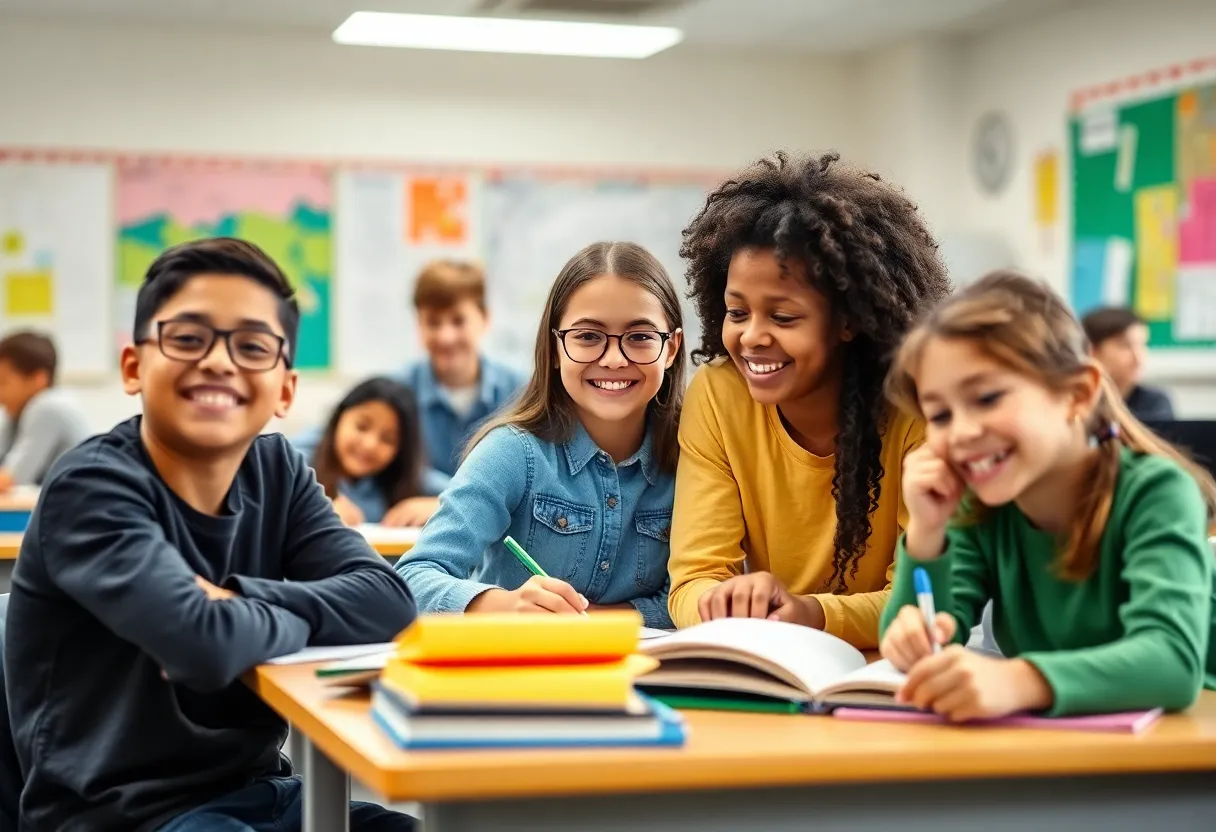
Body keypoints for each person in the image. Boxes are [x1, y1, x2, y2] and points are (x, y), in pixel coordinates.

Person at [4, 238, 418, 831]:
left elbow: (387, 600)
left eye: (252, 346)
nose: (220, 362)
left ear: (285, 390)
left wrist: (241, 599)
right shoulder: (91, 485)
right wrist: (252, 616)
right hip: (125, 815)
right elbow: (202, 644)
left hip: (262, 793)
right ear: (133, 366)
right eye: (188, 338)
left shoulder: (276, 470)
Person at [881, 270, 1215, 720]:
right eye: (939, 414)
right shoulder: (980, 504)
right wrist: (926, 531)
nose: (960, 432)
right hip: (1077, 736)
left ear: (1077, 394)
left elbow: (1172, 662)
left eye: (986, 398)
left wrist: (1020, 680)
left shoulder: (1157, 491)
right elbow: (932, 635)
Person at [667, 151, 950, 647]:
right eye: (737, 312)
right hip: (777, 666)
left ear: (848, 320)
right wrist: (721, 606)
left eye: (783, 317)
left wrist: (809, 613)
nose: (751, 337)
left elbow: (923, 599)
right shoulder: (718, 394)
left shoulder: (918, 408)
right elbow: (692, 582)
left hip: (887, 674)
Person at [396, 242, 685, 629]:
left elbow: (694, 596)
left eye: (639, 337)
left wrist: (595, 623)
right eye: (587, 336)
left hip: (645, 680)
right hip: (519, 680)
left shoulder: (694, 457)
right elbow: (412, 578)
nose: (615, 359)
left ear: (672, 348)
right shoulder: (513, 453)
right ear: (554, 348)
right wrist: (505, 607)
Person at [399, 259, 523, 479]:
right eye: (433, 322)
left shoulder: (523, 392)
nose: (446, 337)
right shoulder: (396, 391)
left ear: (485, 319)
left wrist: (441, 500)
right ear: (419, 324)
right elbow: (326, 445)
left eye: (458, 321)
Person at [294, 377, 446, 527]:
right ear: (339, 417)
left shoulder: (407, 475)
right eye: (361, 426)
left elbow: (463, 494)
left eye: (388, 439)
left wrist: (437, 505)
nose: (370, 445)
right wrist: (315, 512)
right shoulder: (297, 461)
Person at [0, 330, 89, 489]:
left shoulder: (48, 407)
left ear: (38, 379)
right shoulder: (18, 412)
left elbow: (9, 479)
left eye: (3, 382)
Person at [1080, 306, 1174, 421]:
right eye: (1125, 346)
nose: (1138, 358)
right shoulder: (1077, 401)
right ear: (1092, 351)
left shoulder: (1155, 403)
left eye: (1143, 345)